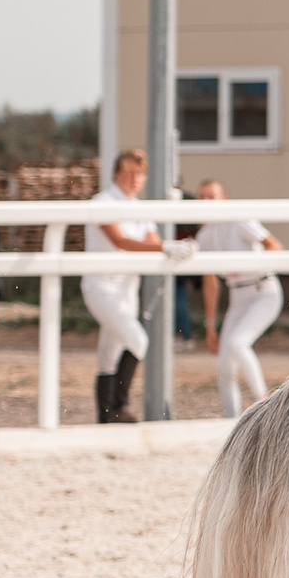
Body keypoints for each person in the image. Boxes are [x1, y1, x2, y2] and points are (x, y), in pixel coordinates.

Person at [83, 148, 171, 423]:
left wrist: (164, 248)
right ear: (116, 173)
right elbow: (120, 241)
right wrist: (165, 246)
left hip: (127, 288)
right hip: (102, 286)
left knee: (110, 354)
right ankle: (119, 407)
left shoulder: (139, 208)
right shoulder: (102, 202)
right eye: (130, 172)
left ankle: (105, 416)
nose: (135, 179)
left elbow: (150, 240)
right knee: (138, 341)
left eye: (140, 174)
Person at [195, 179, 284, 419]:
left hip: (263, 290)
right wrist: (210, 325)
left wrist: (246, 266)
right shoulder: (203, 236)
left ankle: (265, 404)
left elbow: (275, 246)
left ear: (223, 198)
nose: (205, 201)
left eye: (211, 196)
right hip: (238, 296)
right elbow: (210, 282)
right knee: (224, 364)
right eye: (201, 197)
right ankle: (231, 420)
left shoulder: (239, 220)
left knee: (237, 343)